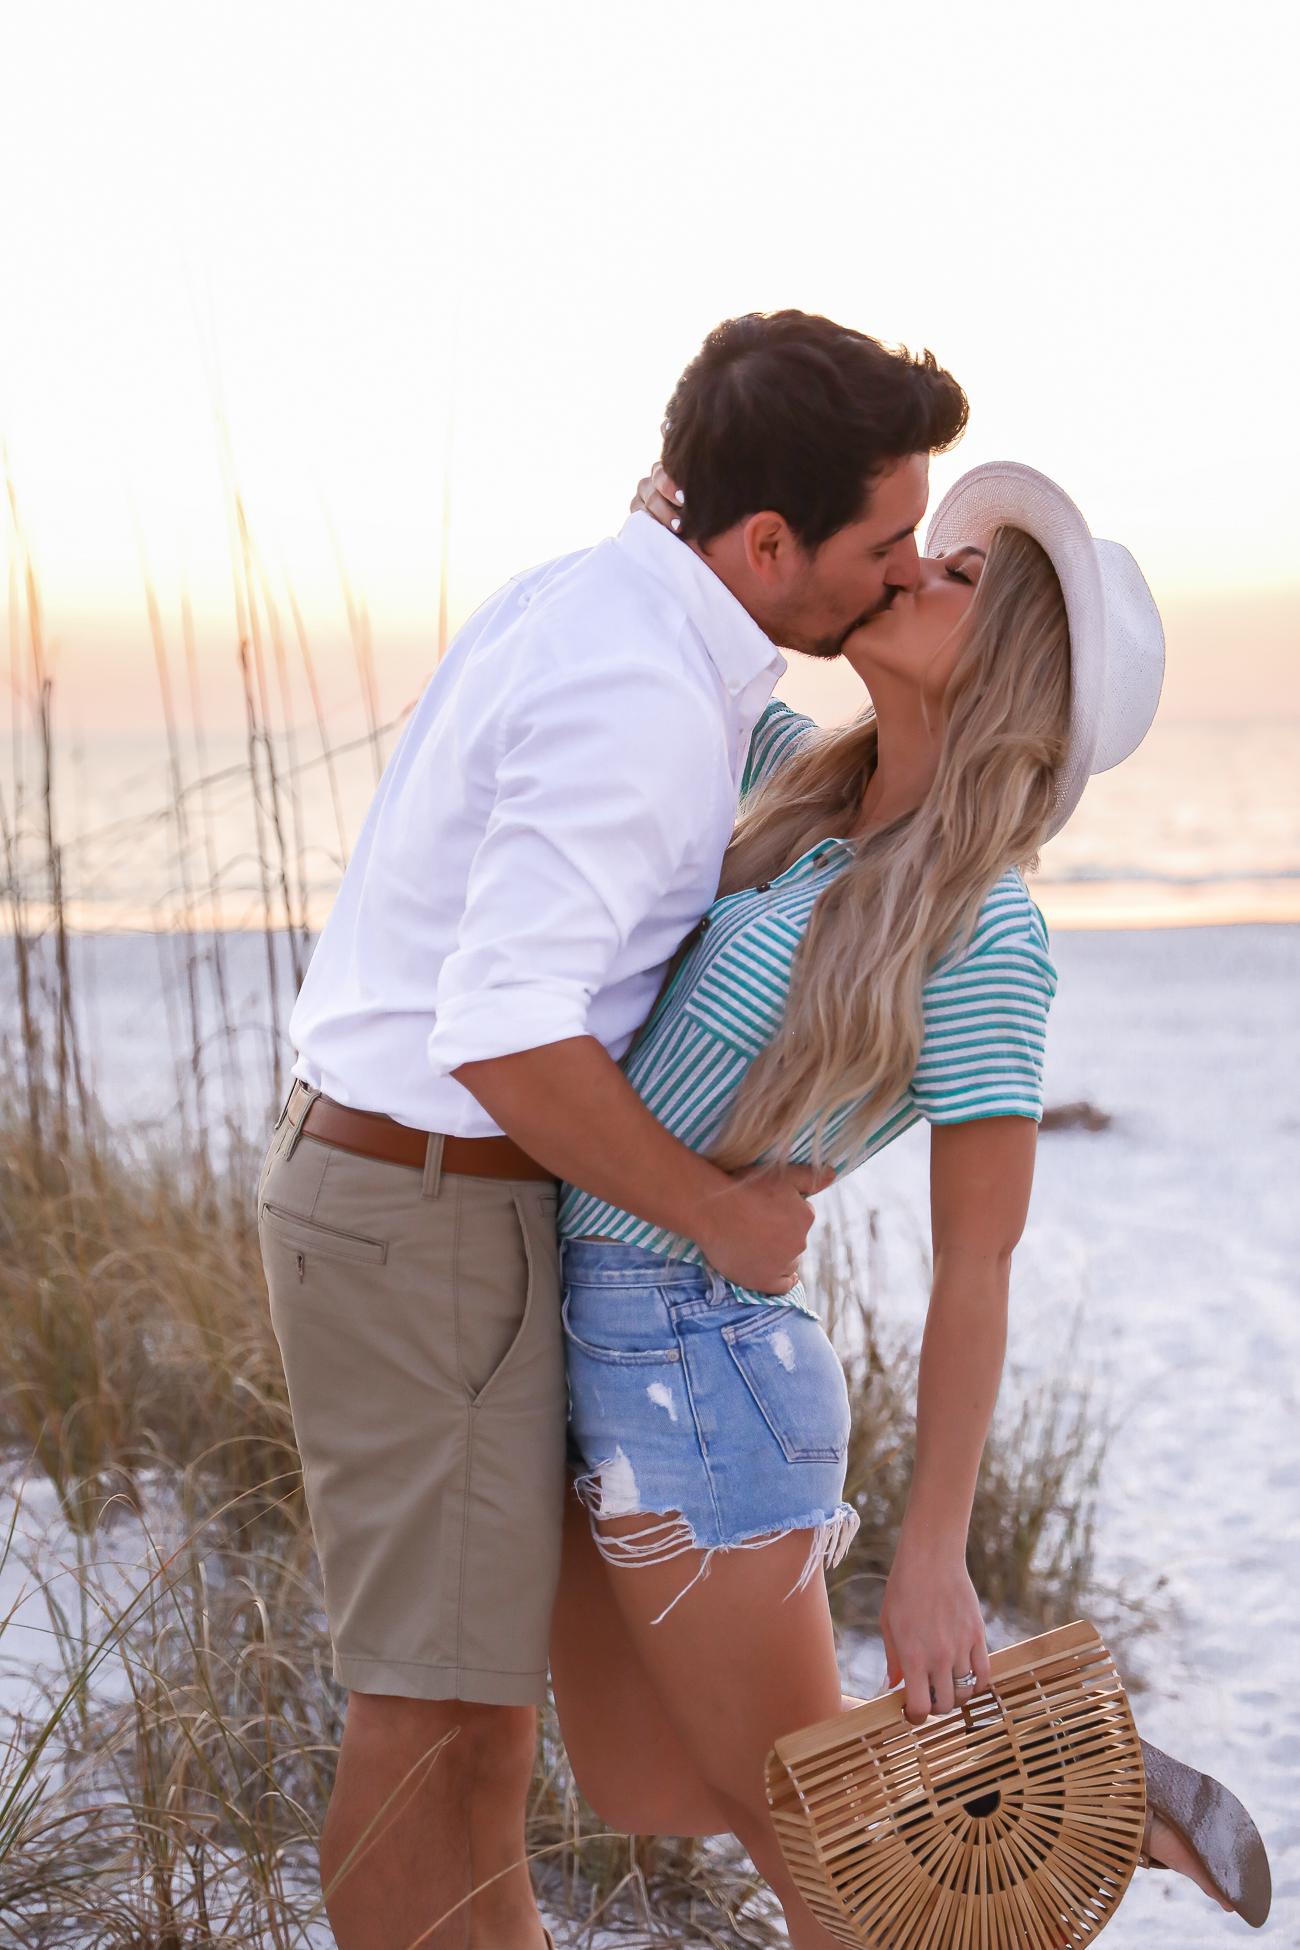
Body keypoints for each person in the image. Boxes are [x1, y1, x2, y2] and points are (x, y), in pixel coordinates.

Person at [256, 310, 969, 1950]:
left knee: (481, 1721)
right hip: (425, 1204)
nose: (903, 569)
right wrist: (717, 1216)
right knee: (428, 1714)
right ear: (768, 538)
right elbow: (501, 1029)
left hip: (441, 1204)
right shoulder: (640, 688)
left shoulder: (640, 616)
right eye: (886, 543)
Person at [550, 461, 1270, 1941]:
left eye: (953, 581)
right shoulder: (800, 786)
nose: (909, 573)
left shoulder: (986, 927)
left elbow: (982, 1261)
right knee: (644, 1782)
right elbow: (709, 609)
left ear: (1006, 668)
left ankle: (1071, 1789)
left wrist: (935, 1552)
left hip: (704, 1367)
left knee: (841, 1874)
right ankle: (1077, 1784)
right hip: (612, 1337)